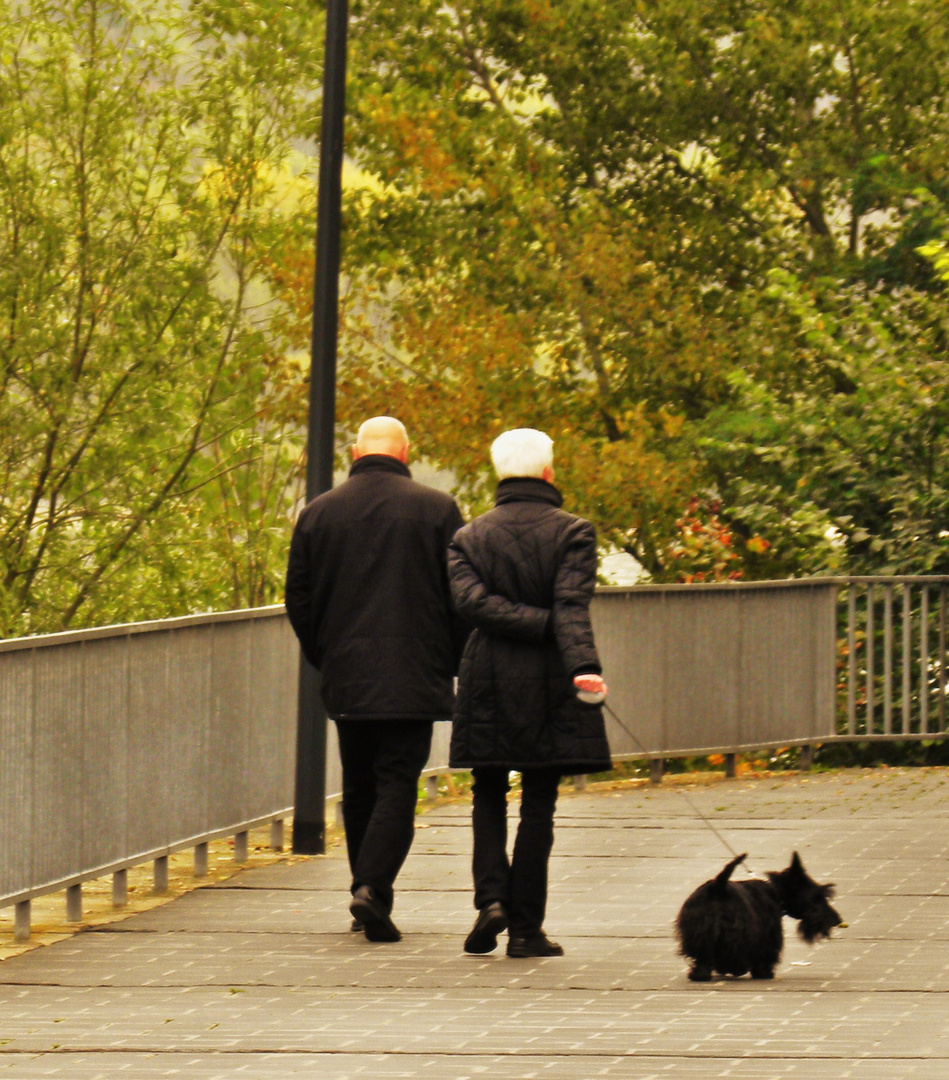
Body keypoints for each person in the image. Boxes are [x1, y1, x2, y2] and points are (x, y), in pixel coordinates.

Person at [285, 416, 466, 943]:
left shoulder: (319, 513)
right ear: (406, 452)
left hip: (348, 674)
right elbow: (460, 595)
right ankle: (371, 888)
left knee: (359, 783)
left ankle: (368, 892)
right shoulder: (437, 510)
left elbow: (299, 597)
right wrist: (449, 659)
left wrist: (327, 653)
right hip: (415, 676)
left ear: (353, 452)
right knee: (396, 783)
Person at [448, 428, 611, 958]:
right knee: (539, 800)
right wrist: (582, 664)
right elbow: (570, 608)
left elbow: (472, 605)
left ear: (500, 472)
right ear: (547, 472)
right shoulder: (574, 533)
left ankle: (490, 898)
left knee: (487, 788)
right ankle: (525, 929)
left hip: (487, 673)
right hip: (549, 676)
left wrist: (527, 621)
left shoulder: (468, 537)